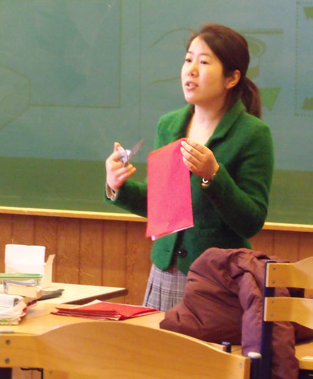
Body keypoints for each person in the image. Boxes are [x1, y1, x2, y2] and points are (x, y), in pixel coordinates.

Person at [105, 23, 274, 312]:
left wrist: (213, 175)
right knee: (153, 344)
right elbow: (163, 209)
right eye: (188, 59)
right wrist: (116, 185)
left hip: (218, 280)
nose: (191, 70)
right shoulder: (170, 125)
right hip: (165, 272)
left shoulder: (252, 134)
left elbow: (251, 221)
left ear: (232, 78)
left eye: (204, 62)